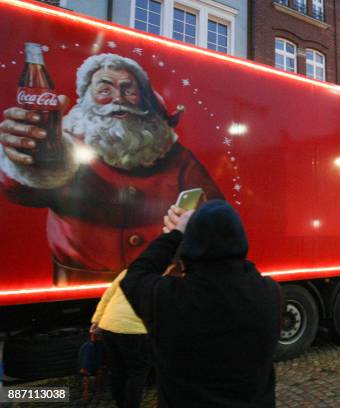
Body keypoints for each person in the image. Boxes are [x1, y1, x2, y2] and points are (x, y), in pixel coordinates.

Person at [0, 53, 222, 286]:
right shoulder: (63, 146)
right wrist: (25, 155)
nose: (118, 98)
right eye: (104, 90)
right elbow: (20, 190)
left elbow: (216, 211)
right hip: (79, 288)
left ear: (143, 99)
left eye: (128, 89)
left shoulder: (176, 156)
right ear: (87, 99)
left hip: (157, 288)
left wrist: (197, 218)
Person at [120, 200, 280, 407]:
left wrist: (175, 235)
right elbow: (243, 268)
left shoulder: (167, 298)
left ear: (190, 245)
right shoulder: (269, 292)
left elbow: (134, 276)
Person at [91, 270, 151, 408]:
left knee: (117, 371)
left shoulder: (128, 271)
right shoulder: (165, 276)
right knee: (137, 373)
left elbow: (107, 295)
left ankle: (120, 404)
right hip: (136, 330)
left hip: (109, 326)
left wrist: (96, 320)